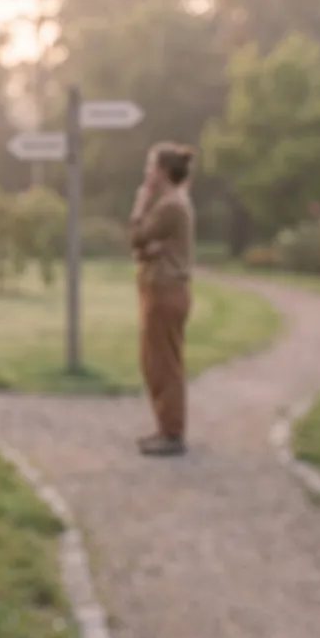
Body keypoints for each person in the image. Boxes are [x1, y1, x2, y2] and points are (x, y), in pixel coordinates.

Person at [129, 142, 195, 456]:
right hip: (163, 291)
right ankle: (166, 428)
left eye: (150, 167)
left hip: (165, 292)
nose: (146, 173)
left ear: (163, 171)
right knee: (158, 362)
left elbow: (137, 237)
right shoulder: (174, 203)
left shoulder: (169, 205)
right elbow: (142, 248)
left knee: (163, 365)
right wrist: (146, 249)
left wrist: (140, 203)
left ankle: (171, 433)